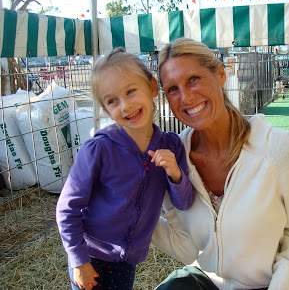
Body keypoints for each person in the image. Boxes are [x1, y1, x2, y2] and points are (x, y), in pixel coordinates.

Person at [151, 38, 289, 290]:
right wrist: (132, 216)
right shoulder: (174, 156)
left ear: (219, 74)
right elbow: (185, 246)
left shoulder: (278, 148)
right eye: (172, 89)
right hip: (204, 280)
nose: (185, 97)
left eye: (193, 79)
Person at [56, 48, 194, 290]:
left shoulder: (171, 146)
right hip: (91, 254)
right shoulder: (98, 150)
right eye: (112, 101)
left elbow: (183, 203)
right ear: (105, 110)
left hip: (128, 258)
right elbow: (67, 209)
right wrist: (78, 261)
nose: (126, 105)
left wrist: (175, 173)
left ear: (152, 87)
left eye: (131, 91)